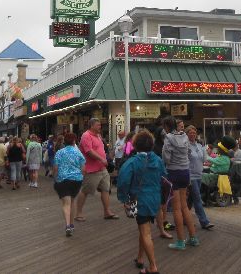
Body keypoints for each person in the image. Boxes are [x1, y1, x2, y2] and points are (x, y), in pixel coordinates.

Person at [117, 130, 165, 274]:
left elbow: (123, 182)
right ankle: (140, 258)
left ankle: (153, 267)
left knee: (145, 232)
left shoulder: (132, 162)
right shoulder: (158, 160)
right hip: (155, 199)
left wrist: (124, 198)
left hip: (140, 200)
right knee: (144, 230)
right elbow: (164, 176)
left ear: (135, 145)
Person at [162, 116, 198, 250]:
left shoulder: (168, 138)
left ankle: (180, 241)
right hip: (185, 172)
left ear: (167, 126)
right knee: (185, 207)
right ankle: (193, 238)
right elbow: (188, 152)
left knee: (176, 208)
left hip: (173, 172)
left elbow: (166, 158)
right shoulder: (184, 136)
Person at [75, 118, 118, 221]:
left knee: (106, 189)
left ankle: (107, 212)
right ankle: (78, 213)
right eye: (98, 125)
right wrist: (101, 159)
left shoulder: (98, 136)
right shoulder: (86, 136)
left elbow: (101, 149)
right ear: (92, 125)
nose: (100, 126)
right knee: (85, 191)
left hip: (102, 168)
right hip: (92, 170)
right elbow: (89, 151)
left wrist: (107, 158)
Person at [53, 133, 85, 236]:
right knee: (73, 201)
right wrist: (82, 177)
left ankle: (67, 225)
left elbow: (55, 168)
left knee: (66, 203)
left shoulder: (59, 153)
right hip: (76, 180)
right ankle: (72, 224)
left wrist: (55, 178)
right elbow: (83, 168)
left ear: (64, 142)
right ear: (74, 141)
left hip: (63, 180)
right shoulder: (78, 153)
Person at [186, 126, 213, 230]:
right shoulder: (185, 146)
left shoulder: (199, 146)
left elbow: (205, 159)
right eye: (190, 133)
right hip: (190, 176)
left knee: (191, 199)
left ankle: (184, 217)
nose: (193, 134)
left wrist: (211, 161)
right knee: (197, 198)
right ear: (187, 134)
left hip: (199, 175)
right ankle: (204, 221)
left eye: (194, 133)